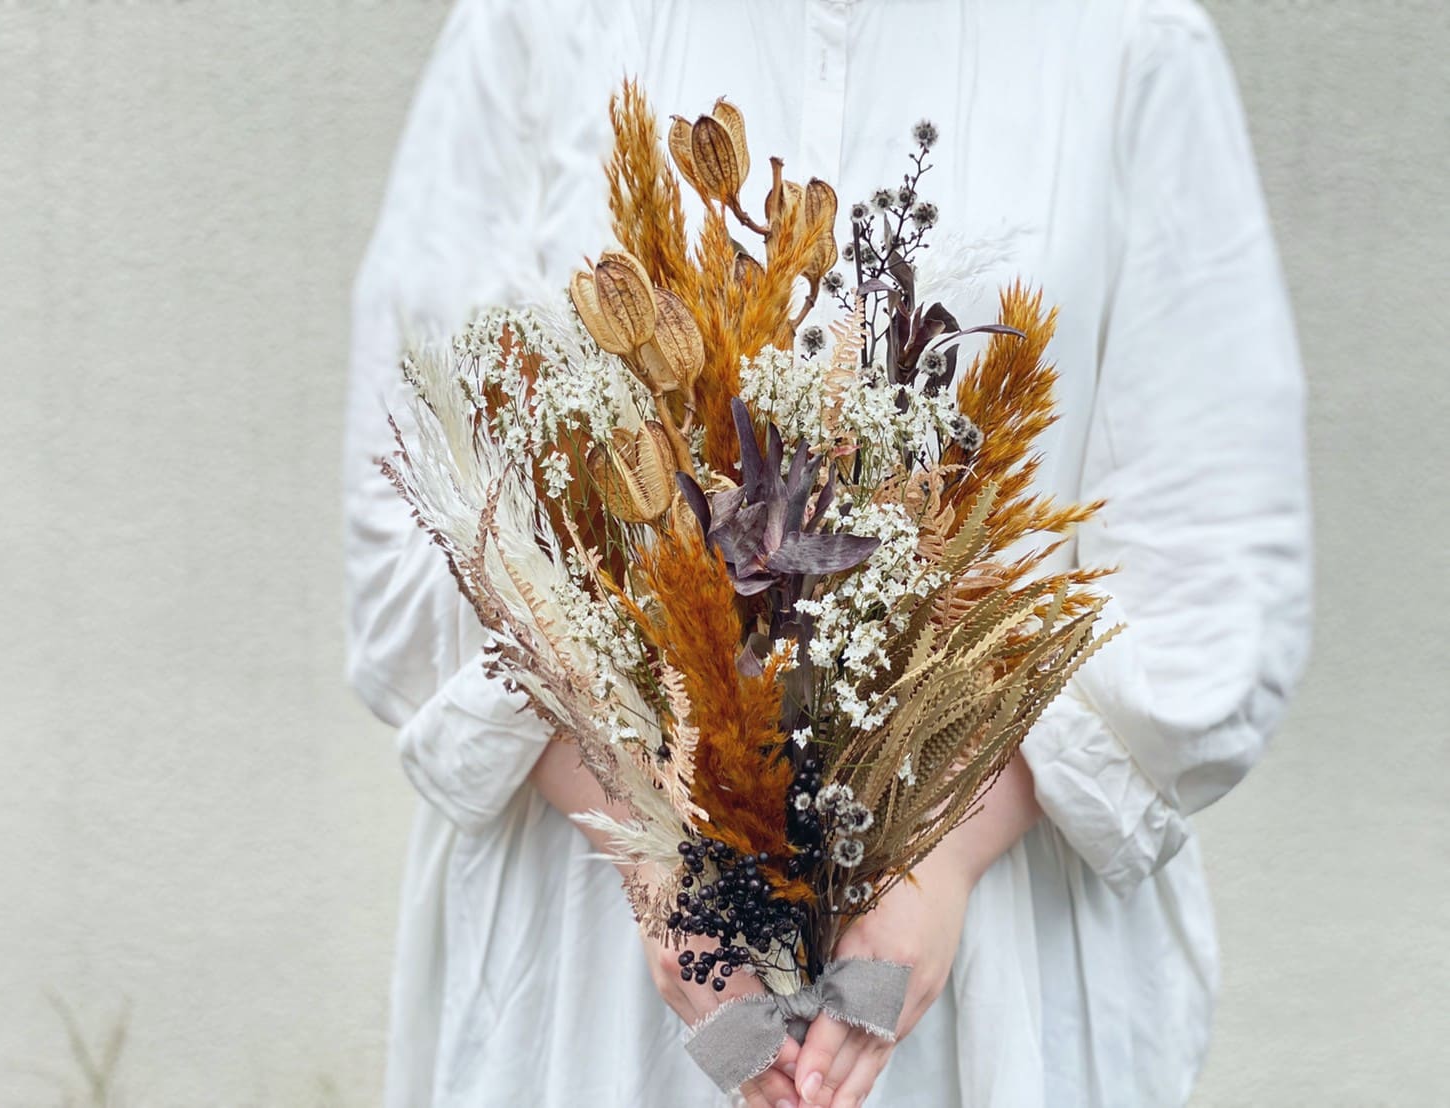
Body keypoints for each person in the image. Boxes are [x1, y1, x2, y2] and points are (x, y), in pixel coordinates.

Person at [343, 1, 1312, 1104]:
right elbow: (408, 514)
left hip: (982, 956)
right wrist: (659, 846)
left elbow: (1216, 559)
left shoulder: (1126, 41)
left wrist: (941, 853)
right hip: (597, 967)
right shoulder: (539, 27)